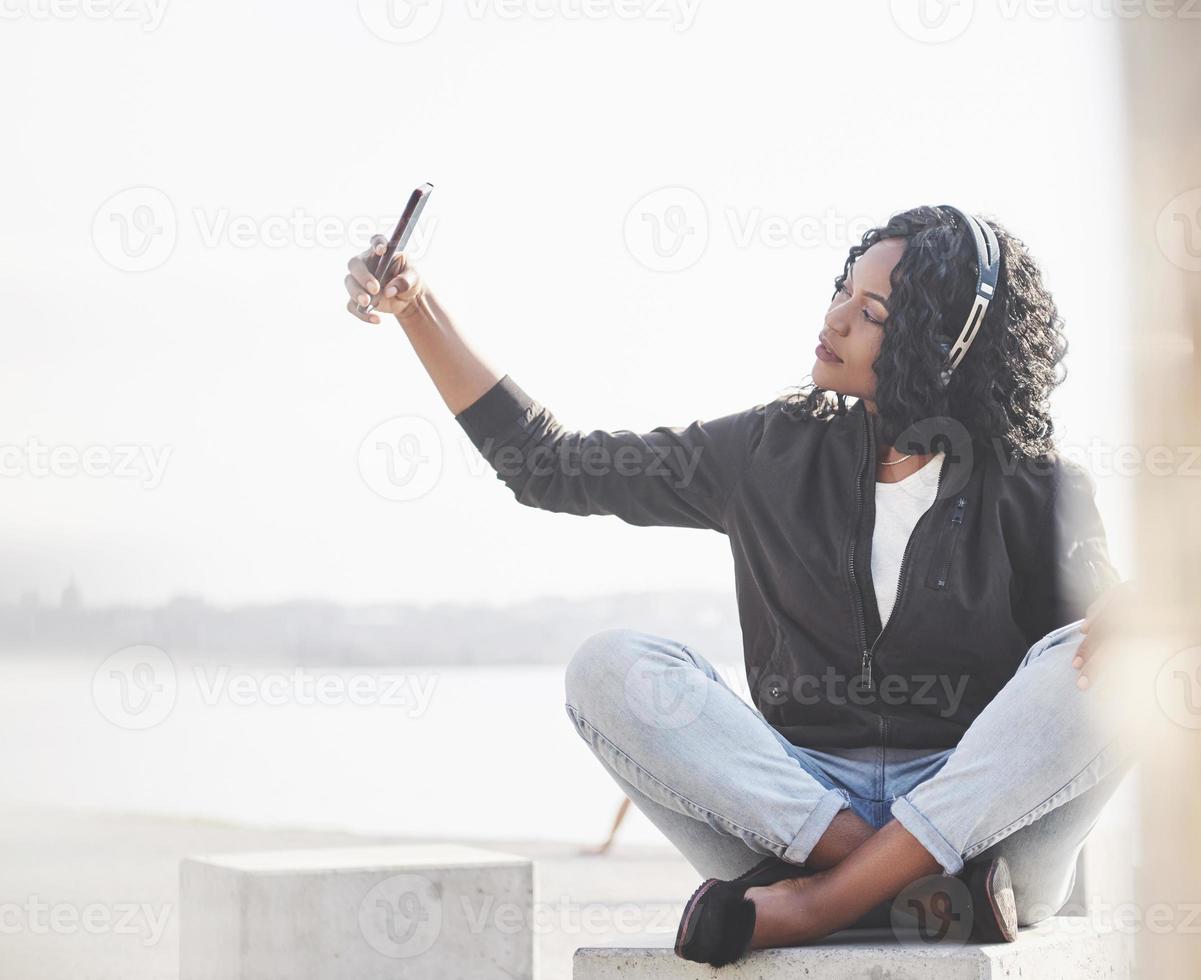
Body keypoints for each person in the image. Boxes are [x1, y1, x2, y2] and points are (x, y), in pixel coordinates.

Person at [343, 205, 1134, 964]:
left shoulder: (1036, 486)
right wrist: (417, 309)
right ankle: (895, 880)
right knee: (610, 666)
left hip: (984, 837)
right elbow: (548, 466)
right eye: (841, 291)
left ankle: (823, 903)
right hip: (799, 813)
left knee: (1127, 657)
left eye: (874, 313)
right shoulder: (770, 450)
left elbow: (1080, 681)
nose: (833, 320)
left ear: (944, 347)